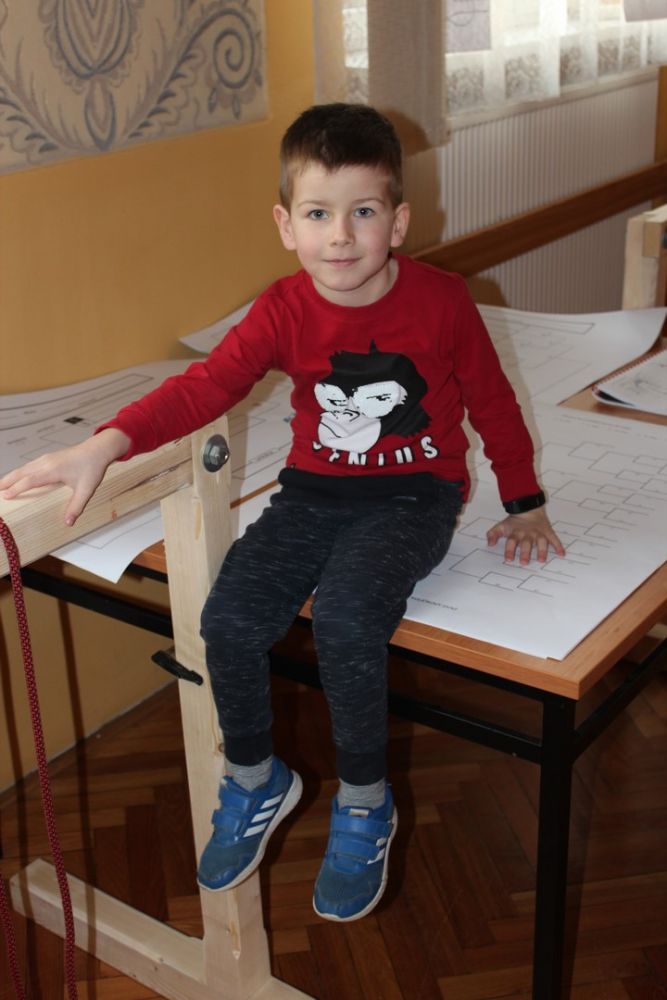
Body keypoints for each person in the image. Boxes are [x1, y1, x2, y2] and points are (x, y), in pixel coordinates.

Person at [0, 103, 565, 923]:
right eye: (318, 214)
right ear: (285, 225)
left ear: (398, 221)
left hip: (412, 494)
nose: (340, 236)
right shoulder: (281, 308)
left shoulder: (442, 302)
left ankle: (365, 800)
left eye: (362, 211)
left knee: (344, 618)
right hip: (310, 493)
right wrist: (104, 444)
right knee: (226, 621)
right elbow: (203, 386)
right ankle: (257, 777)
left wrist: (524, 503)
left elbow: (493, 402)